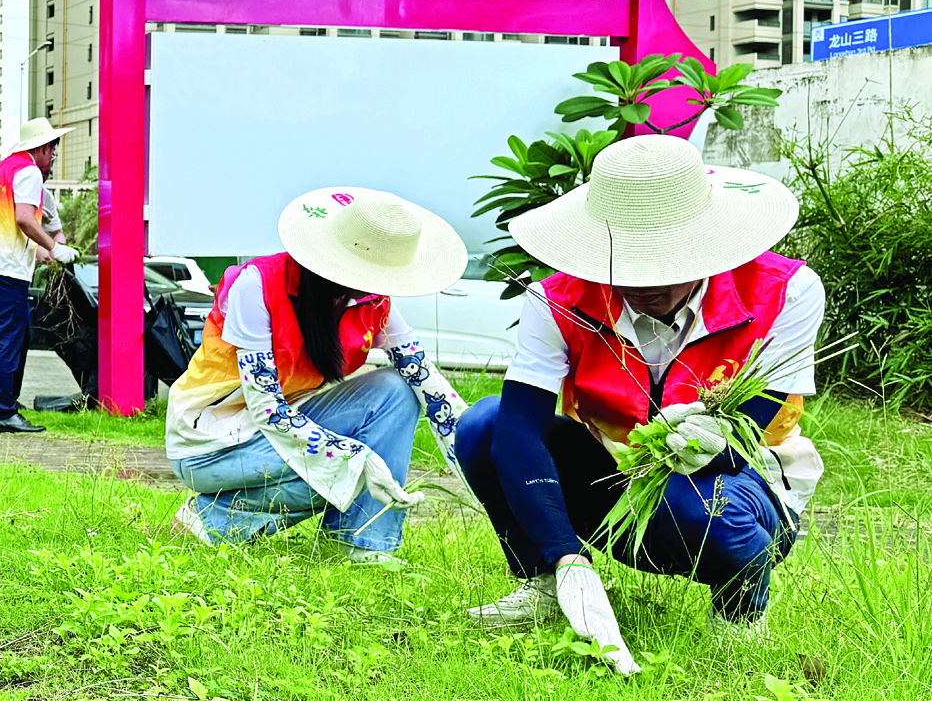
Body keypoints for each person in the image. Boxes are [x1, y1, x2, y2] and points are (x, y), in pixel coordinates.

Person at [455, 136, 824, 670]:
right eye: (624, 262)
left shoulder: (784, 291)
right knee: (483, 424)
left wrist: (711, 438)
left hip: (743, 483)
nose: (642, 282)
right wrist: (566, 555)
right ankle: (544, 585)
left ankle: (740, 612)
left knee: (700, 510)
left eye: (662, 262)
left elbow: (757, 420)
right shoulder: (557, 300)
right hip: (614, 476)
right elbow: (517, 429)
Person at [164, 188, 471, 567]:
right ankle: (214, 519)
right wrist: (355, 458)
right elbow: (267, 409)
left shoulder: (371, 301)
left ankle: (364, 542)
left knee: (395, 390)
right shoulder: (257, 286)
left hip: (281, 426)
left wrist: (483, 454)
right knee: (343, 470)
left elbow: (427, 382)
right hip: (210, 442)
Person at [0, 118, 77, 432]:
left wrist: (46, 247)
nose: (53, 159)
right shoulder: (30, 171)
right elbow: (23, 219)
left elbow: (15, 218)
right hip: (5, 268)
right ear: (44, 148)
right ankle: (4, 412)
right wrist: (55, 248)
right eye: (53, 152)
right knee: (9, 338)